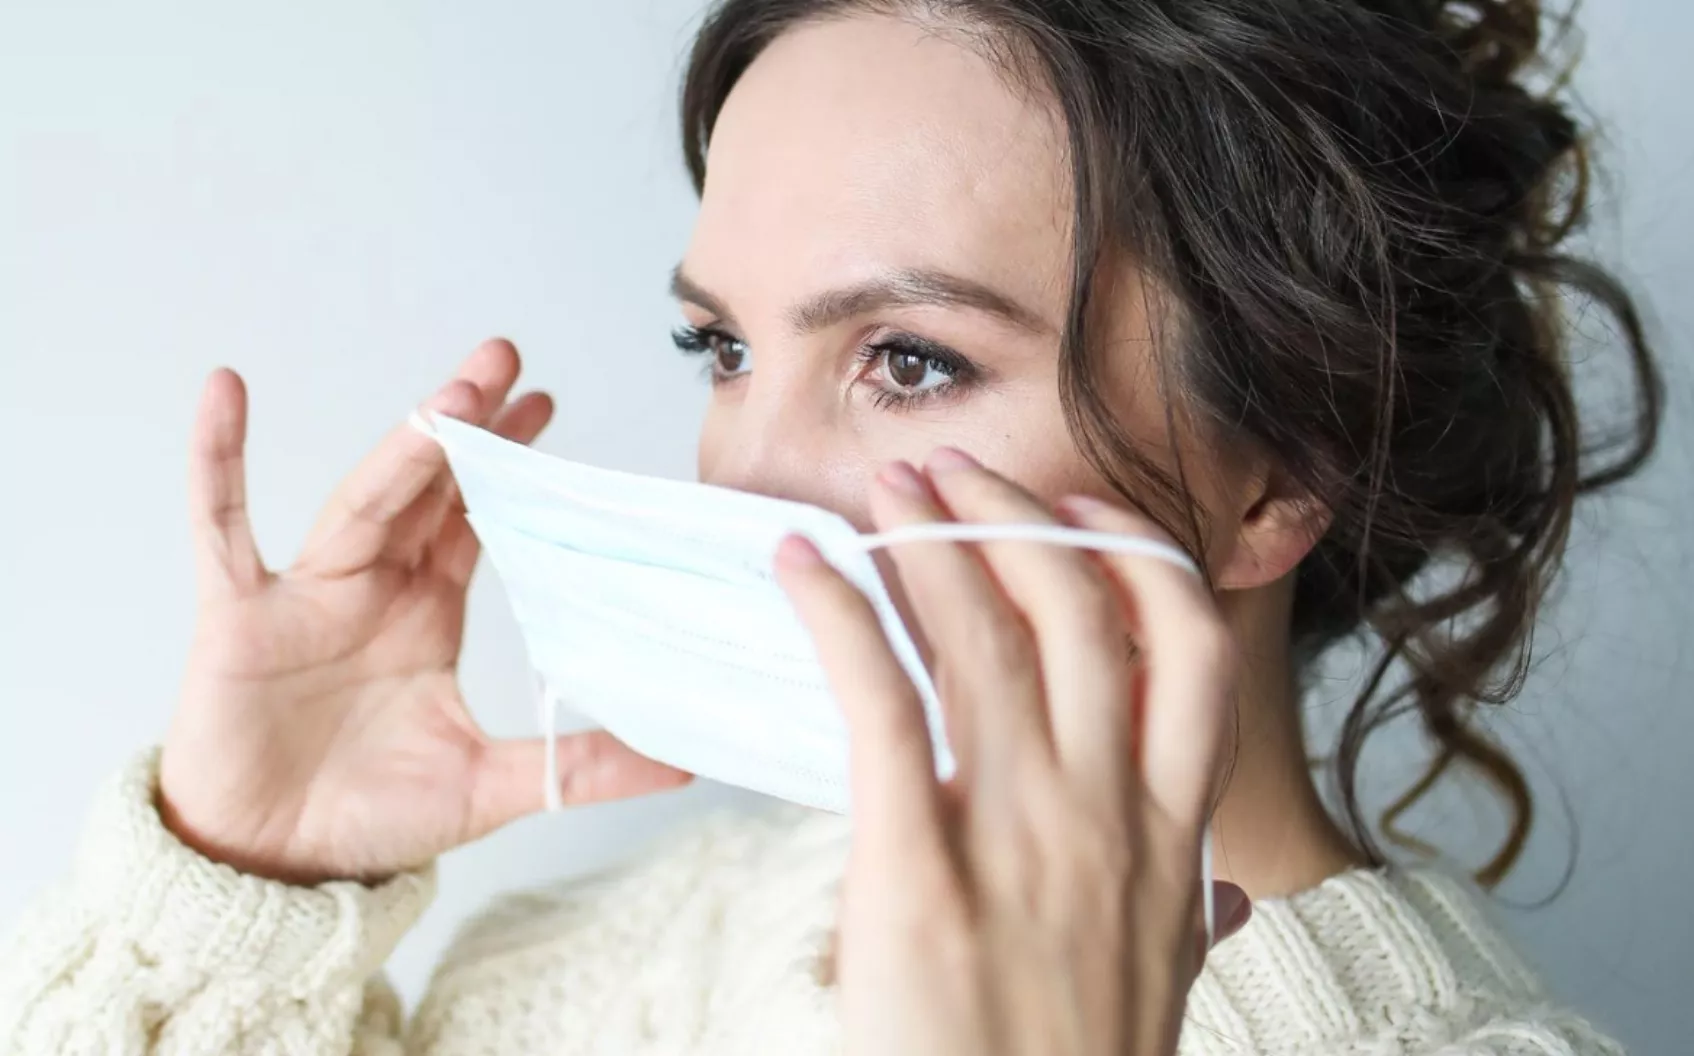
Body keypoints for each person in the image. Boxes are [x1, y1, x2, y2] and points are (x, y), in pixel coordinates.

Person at [0, 0, 1663, 1053]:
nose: (744, 479)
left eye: (910, 362)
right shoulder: (636, 962)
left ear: (1280, 472)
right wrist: (229, 888)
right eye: (723, 347)